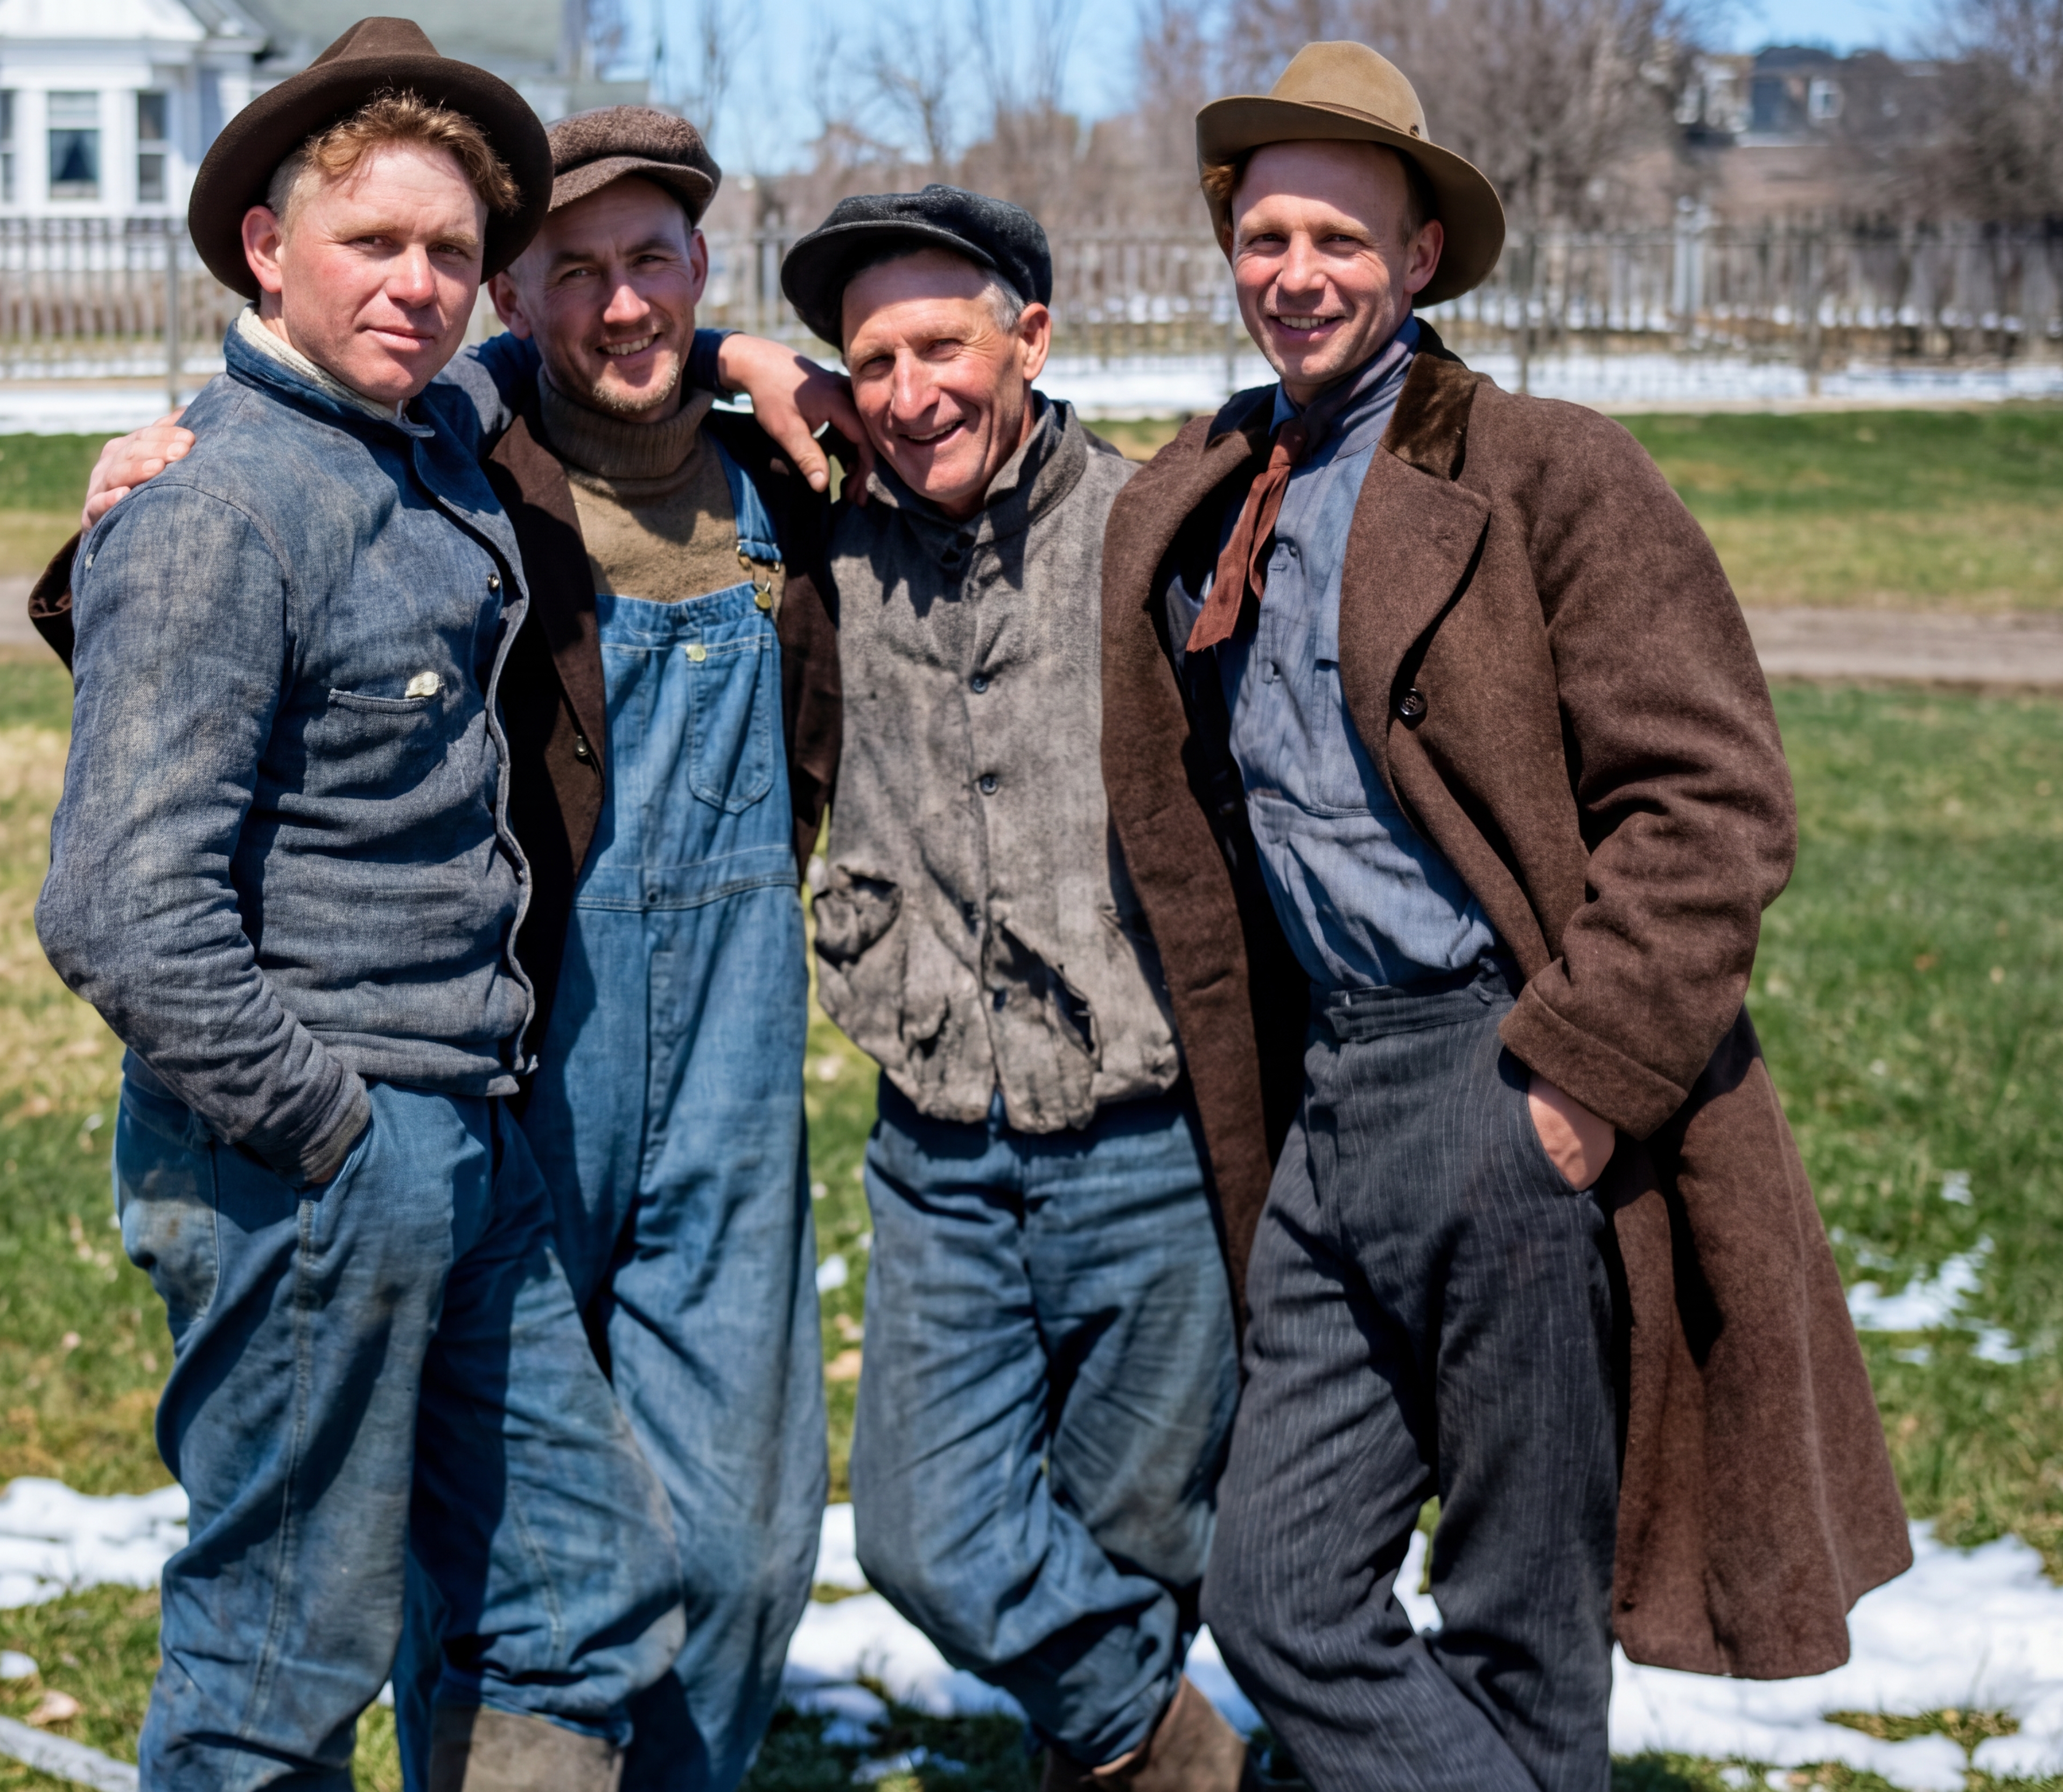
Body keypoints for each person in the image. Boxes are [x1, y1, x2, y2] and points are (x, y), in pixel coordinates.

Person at [1096, 41, 1913, 1791]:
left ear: (1421, 259)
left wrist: (1575, 1082)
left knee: (1523, 1627)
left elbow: (1712, 803)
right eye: (1265, 237)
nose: (1295, 273)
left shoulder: (1552, 471)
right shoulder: (1224, 486)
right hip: (1332, 1110)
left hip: (1505, 1076)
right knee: (1279, 1599)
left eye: (1340, 237)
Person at [42, 94, 856, 1792]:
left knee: (588, 1587)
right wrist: (340, 1134)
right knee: (285, 1651)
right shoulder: (237, 489)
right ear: (269, 251)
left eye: (445, 251)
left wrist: (754, 361)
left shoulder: (428, 455)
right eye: (375, 247)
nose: (416, 284)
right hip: (348, 1129)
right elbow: (120, 904)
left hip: (493, 1108)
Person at [778, 189, 1246, 1792]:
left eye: (945, 346)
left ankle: (1113, 1747)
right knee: (925, 1536)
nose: (914, 394)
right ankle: (1172, 1753)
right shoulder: (823, 530)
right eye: (875, 360)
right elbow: (589, 384)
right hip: (942, 1154)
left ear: (1030, 340)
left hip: (1144, 1143)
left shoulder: (1149, 533)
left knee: (1133, 1541)